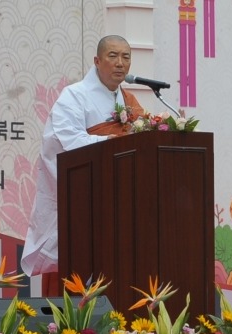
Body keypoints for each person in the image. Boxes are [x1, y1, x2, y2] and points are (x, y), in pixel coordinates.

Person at [21, 35, 144, 292]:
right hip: (85, 203)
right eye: (113, 56)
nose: (120, 63)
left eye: (126, 57)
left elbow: (142, 143)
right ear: (97, 61)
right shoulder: (74, 95)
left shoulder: (129, 102)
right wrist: (112, 141)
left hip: (121, 204)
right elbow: (67, 139)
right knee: (79, 278)